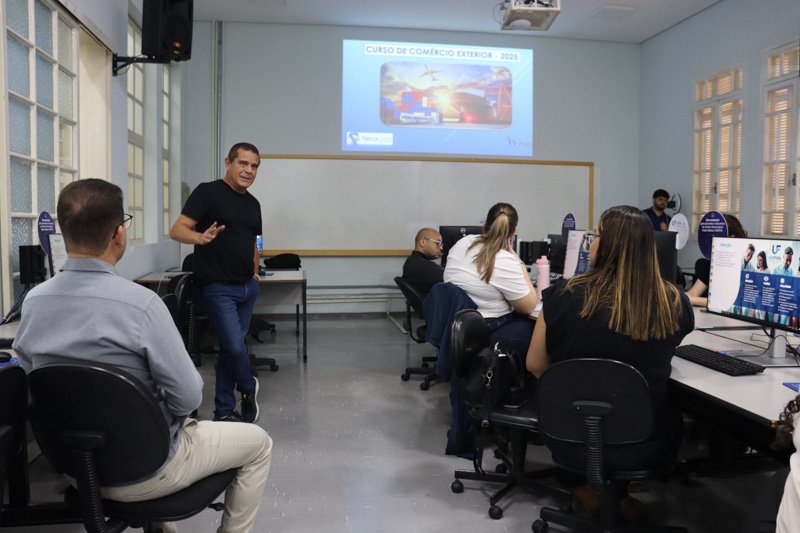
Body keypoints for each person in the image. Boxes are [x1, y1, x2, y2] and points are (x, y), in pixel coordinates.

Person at [13, 179, 272, 533]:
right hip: (149, 467)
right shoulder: (142, 305)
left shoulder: (33, 302)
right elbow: (189, 397)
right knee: (259, 444)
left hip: (76, 469)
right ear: (119, 235)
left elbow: (34, 383)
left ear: (63, 233)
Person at [526, 205, 694, 521]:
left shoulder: (561, 295)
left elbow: (535, 364)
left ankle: (596, 490)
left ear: (608, 244)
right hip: (645, 446)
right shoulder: (674, 302)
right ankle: (617, 495)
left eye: (596, 235)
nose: (591, 242)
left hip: (568, 438)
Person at [170, 142, 263, 423]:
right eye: (243, 163)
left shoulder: (253, 204)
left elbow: (255, 242)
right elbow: (177, 230)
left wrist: (255, 273)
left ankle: (223, 411)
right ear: (228, 162)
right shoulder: (208, 192)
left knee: (229, 350)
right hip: (217, 288)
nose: (248, 170)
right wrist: (199, 237)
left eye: (254, 166)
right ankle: (247, 388)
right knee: (235, 348)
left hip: (247, 287)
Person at [443, 202, 537, 357]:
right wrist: (519, 262)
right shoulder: (505, 260)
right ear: (512, 233)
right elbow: (529, 307)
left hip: (459, 326)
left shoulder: (462, 243)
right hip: (488, 332)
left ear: (485, 224)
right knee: (542, 332)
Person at [686, 213, 748, 307]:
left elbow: (727, 302)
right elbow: (693, 293)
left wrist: (691, 299)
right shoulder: (711, 264)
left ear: (731, 238)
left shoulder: (743, 266)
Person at [402, 227, 444, 297]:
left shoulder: (413, 262)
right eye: (438, 243)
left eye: (441, 244)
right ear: (423, 242)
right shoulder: (422, 266)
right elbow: (450, 279)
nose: (441, 248)